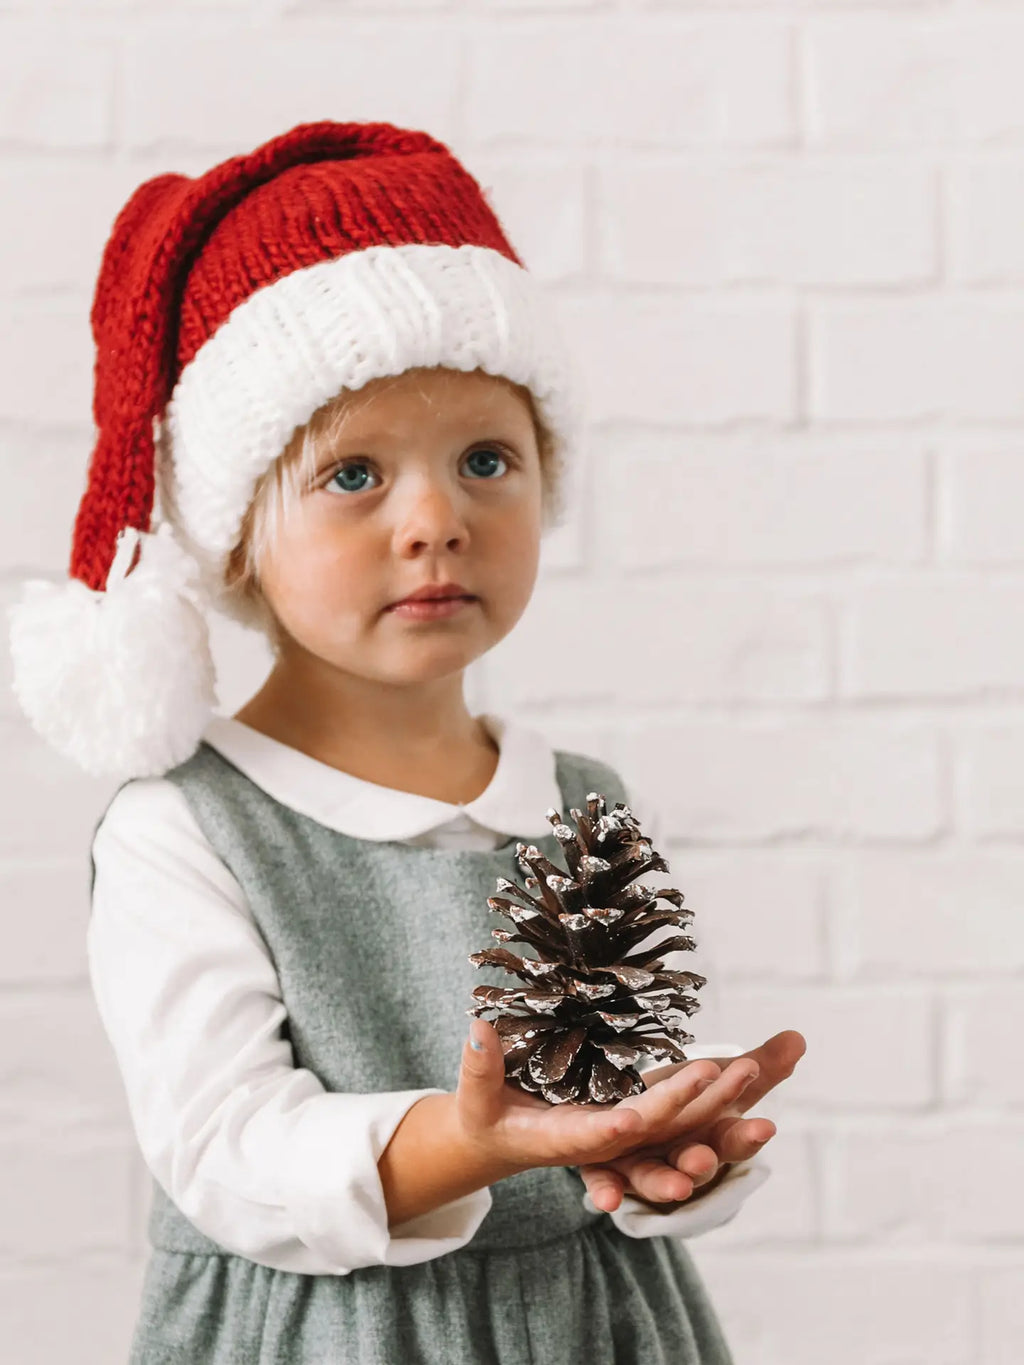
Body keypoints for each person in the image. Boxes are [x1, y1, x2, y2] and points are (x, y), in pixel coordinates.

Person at [7, 120, 805, 1364]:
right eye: (353, 476)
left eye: (486, 458)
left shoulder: (579, 802)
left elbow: (606, 1103)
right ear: (236, 538)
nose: (434, 519)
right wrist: (467, 1144)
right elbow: (225, 1153)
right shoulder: (190, 825)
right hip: (326, 1333)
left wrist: (663, 1156)